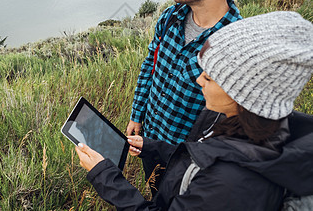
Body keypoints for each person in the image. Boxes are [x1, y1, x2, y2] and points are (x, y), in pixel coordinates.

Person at [75, 11, 313, 210]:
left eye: (209, 77)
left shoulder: (230, 185)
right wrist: (152, 147)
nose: (199, 80)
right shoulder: (232, 120)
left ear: (243, 94)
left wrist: (104, 176)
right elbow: (202, 153)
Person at [127, 0, 246, 165]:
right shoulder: (171, 17)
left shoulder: (234, 45)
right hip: (149, 141)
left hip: (187, 162)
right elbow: (150, 65)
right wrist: (137, 114)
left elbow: (230, 126)